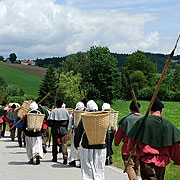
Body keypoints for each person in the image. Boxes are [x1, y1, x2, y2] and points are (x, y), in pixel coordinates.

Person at [127, 97, 180, 180]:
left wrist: (131, 150)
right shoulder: (168, 125)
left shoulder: (142, 122)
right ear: (161, 110)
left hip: (146, 162)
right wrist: (177, 160)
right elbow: (175, 147)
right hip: (161, 163)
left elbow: (131, 141)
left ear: (151, 109)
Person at [74, 100, 107, 180]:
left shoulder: (85, 117)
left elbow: (79, 131)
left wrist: (76, 143)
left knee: (87, 166)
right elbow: (106, 132)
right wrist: (108, 146)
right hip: (101, 145)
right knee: (99, 166)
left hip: (87, 145)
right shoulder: (102, 117)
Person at [114, 100, 143, 180]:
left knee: (129, 167)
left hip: (127, 149)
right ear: (139, 108)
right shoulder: (144, 119)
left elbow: (119, 135)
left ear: (130, 109)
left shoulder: (125, 120)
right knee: (136, 169)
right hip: (140, 149)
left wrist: (116, 143)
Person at [48, 98, 70, 164]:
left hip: (55, 129)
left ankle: (55, 157)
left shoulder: (54, 111)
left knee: (54, 143)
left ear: (56, 104)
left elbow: (50, 121)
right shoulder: (65, 111)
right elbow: (68, 120)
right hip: (63, 129)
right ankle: (65, 156)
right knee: (64, 143)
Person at [66, 101, 85, 167]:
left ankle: (73, 160)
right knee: (81, 147)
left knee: (74, 147)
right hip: (84, 133)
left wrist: (67, 134)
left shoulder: (72, 115)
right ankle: (81, 161)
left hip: (75, 132)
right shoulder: (85, 114)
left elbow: (69, 126)